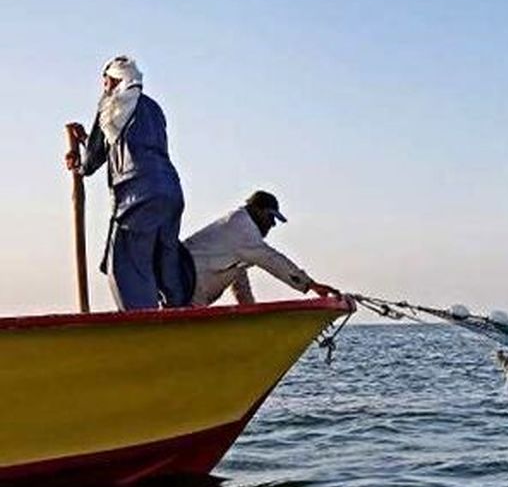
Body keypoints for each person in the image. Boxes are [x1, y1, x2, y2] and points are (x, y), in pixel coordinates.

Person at [65, 56, 189, 310]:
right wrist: (89, 139)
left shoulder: (110, 108)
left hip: (137, 197)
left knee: (126, 266)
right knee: (164, 261)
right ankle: (179, 319)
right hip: (171, 192)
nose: (104, 88)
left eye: (106, 82)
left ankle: (145, 329)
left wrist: (76, 164)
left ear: (113, 81)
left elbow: (91, 162)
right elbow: (133, 146)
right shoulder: (153, 108)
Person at [183, 190, 339, 306]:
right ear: (257, 209)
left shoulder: (240, 241)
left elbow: (239, 279)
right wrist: (310, 284)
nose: (272, 224)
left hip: (190, 288)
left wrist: (249, 311)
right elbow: (271, 260)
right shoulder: (242, 229)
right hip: (186, 285)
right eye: (270, 216)